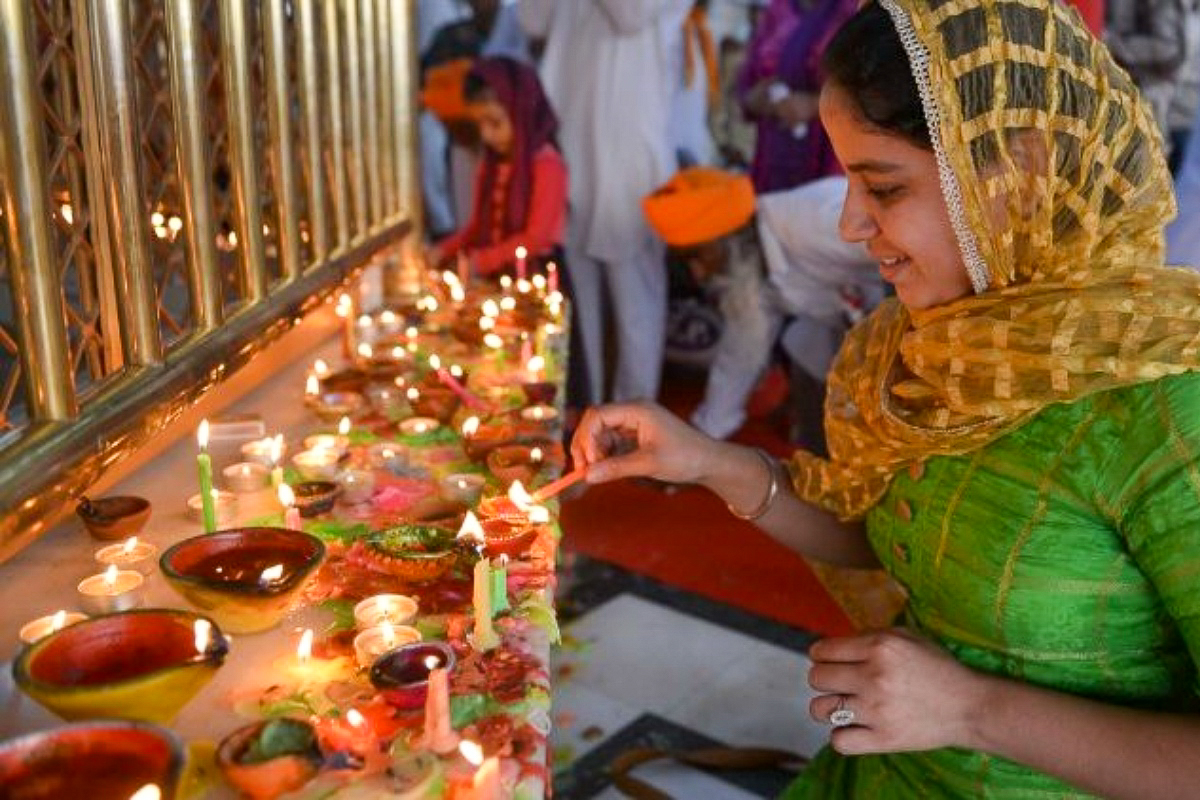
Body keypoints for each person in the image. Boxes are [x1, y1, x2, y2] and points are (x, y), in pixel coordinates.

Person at [572, 1, 1200, 797]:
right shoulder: (925, 346)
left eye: (882, 186)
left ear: (1022, 169)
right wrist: (702, 460)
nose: (849, 222)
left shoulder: (1167, 405)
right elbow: (870, 531)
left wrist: (970, 711)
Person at [518, 0, 693, 406]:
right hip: (573, 148)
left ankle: (634, 420)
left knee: (635, 305)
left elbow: (629, 14)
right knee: (579, 301)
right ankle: (587, 406)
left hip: (630, 159)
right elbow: (532, 19)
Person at [643, 168, 879, 441]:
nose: (699, 274)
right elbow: (741, 353)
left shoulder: (815, 221)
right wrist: (700, 438)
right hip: (855, 326)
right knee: (802, 341)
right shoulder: (749, 272)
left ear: (727, 235)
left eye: (698, 256)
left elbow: (917, 245)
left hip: (918, 312)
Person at [426, 56, 566, 277]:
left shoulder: (547, 165)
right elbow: (476, 228)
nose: (485, 135)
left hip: (536, 279)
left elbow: (536, 239)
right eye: (479, 124)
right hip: (497, 278)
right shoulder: (490, 164)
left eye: (495, 122)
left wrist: (480, 262)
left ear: (521, 113)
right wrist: (442, 250)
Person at [736, 0, 858, 193]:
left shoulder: (856, 11)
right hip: (771, 165)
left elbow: (872, 92)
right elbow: (747, 81)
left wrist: (812, 105)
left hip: (830, 169)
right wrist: (755, 99)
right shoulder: (778, 9)